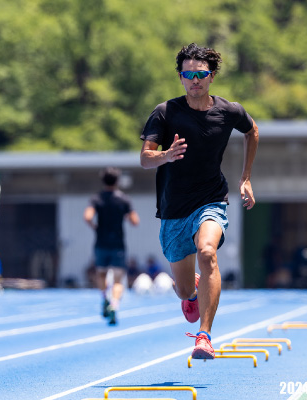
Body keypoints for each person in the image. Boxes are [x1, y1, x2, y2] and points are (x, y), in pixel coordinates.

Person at [140, 43, 259, 360]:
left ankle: (204, 336)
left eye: (201, 74)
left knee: (208, 252)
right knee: (182, 291)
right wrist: (165, 155)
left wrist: (245, 177)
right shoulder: (165, 112)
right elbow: (145, 158)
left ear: (212, 76)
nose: (195, 80)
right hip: (174, 210)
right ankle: (191, 289)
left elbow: (252, 131)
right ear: (180, 77)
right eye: (189, 74)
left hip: (211, 199)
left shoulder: (228, 111)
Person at [84, 167, 140, 325]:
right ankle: (115, 305)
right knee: (118, 279)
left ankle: (104, 299)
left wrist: (95, 226)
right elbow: (135, 221)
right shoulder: (123, 199)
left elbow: (87, 217)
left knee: (101, 274)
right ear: (117, 181)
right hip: (118, 244)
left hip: (101, 242)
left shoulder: (96, 198)